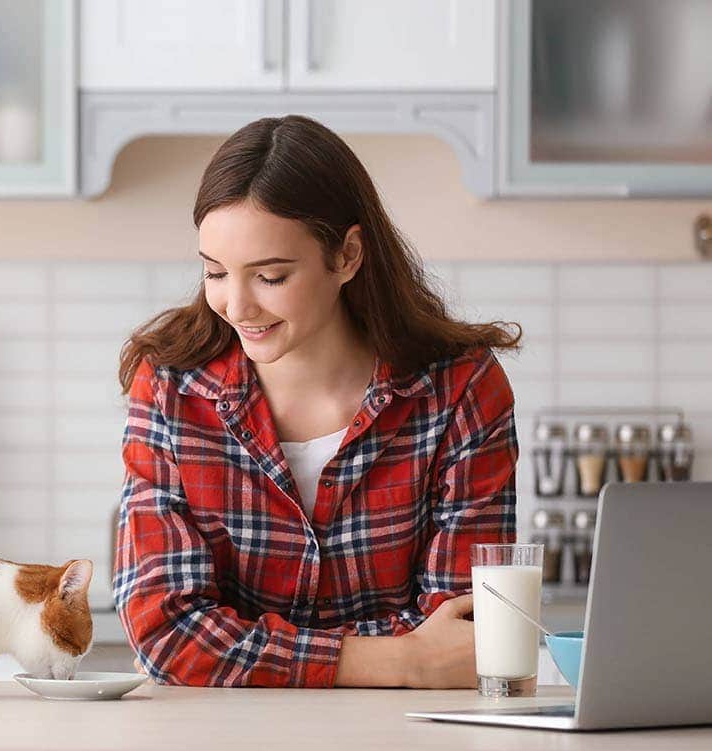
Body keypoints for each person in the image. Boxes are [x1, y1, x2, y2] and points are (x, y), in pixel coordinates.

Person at [114, 115, 521, 689]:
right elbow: (166, 631)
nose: (236, 306)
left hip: (405, 744)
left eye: (271, 277)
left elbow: (462, 632)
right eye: (215, 273)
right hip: (221, 747)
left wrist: (234, 649)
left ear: (348, 255)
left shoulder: (460, 390)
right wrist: (402, 661)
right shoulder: (170, 388)